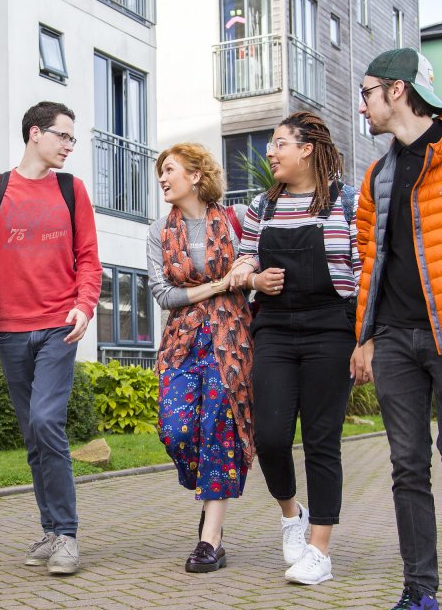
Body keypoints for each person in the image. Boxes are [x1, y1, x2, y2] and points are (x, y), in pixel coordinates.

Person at [0, 101, 102, 576]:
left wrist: (84, 306)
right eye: (63, 136)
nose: (68, 146)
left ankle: (66, 534)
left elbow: (89, 260)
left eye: (71, 139)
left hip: (60, 327)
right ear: (35, 134)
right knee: (32, 435)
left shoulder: (71, 190)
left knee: (46, 421)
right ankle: (50, 528)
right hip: (12, 333)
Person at [229, 111, 359, 586]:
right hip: (277, 329)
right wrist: (254, 276)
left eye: (280, 143)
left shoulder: (345, 203)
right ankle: (291, 514)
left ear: (307, 148)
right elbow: (244, 262)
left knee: (322, 440)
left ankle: (319, 550)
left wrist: (363, 339)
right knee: (270, 437)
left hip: (331, 329)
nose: (271, 152)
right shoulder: (262, 207)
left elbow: (364, 271)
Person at [350, 48, 442, 610]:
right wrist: (365, 336)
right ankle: (421, 592)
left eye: (367, 92)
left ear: (398, 90)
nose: (362, 104)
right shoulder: (377, 175)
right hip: (395, 338)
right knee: (407, 465)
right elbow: (369, 261)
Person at [147, 142, 255, 573]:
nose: (162, 178)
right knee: (175, 431)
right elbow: (163, 294)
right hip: (181, 340)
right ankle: (211, 491)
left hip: (230, 338)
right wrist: (219, 283)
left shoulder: (238, 220)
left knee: (218, 426)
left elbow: (260, 255)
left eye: (169, 169)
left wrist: (246, 268)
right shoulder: (158, 230)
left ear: (195, 175)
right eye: (160, 171)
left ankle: (211, 537)